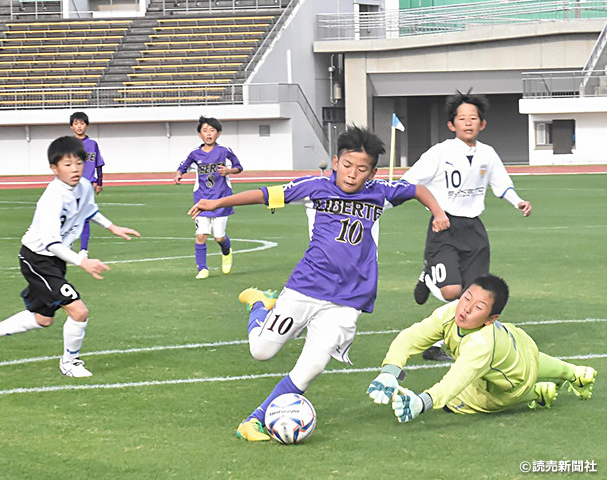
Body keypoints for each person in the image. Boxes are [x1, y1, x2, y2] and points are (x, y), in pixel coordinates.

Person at [188, 125, 450, 441]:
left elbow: (416, 189)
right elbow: (265, 194)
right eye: (348, 166)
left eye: (362, 169)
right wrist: (216, 203)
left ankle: (254, 420)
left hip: (349, 298)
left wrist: (437, 212)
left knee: (312, 366)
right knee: (261, 351)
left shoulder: (380, 193)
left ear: (372, 172)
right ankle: (260, 303)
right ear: (336, 161)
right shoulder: (315, 187)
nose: (353, 174)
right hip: (307, 286)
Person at [0, 136, 140, 377]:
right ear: (54, 168)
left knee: (43, 318)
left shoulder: (83, 186)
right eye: (67, 164)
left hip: (55, 260)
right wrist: (82, 261)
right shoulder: (51, 199)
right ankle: (69, 363)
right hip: (36, 259)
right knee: (79, 311)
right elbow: (52, 244)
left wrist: (112, 227)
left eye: (78, 163)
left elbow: (90, 210)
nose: (74, 169)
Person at [401, 89, 532, 362]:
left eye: (474, 118)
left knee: (472, 295)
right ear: (452, 124)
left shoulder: (488, 154)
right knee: (451, 291)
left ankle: (436, 344)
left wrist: (518, 202)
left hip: (474, 231)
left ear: (482, 123)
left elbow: (501, 185)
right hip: (444, 227)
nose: (468, 122)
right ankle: (429, 276)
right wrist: (435, 211)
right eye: (462, 118)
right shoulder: (440, 152)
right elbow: (411, 182)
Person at [366, 274, 597, 421]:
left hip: (509, 385)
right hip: (520, 344)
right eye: (466, 298)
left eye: (478, 307)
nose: (465, 309)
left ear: (490, 318)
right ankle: (575, 373)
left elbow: (455, 381)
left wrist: (422, 402)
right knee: (529, 359)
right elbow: (411, 337)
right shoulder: (450, 312)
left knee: (457, 404)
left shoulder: (481, 344)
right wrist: (390, 371)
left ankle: (537, 392)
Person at [174, 116, 243, 279]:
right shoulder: (194, 154)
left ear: (218, 134)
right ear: (200, 135)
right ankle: (202, 269)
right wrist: (178, 175)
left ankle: (226, 251)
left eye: (212, 130)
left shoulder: (224, 151)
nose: (209, 134)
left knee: (219, 237)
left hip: (221, 199)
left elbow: (239, 167)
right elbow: (182, 166)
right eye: (205, 131)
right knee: (201, 235)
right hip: (202, 201)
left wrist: (228, 171)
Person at [70, 111, 106, 258]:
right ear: (71, 126)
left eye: (82, 123)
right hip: (71, 185)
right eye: (76, 123)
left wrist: (100, 182)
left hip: (87, 185)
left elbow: (99, 164)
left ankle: (84, 250)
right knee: (69, 214)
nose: (79, 126)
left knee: (85, 217)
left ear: (87, 125)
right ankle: (68, 242)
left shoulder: (92, 144)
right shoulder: (68, 144)